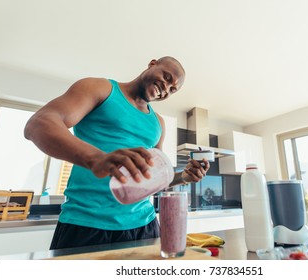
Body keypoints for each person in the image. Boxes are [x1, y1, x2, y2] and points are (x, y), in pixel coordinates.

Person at [24, 56, 210, 250]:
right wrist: (96, 159)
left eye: (172, 89)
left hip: (144, 226)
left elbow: (152, 178)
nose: (166, 88)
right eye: (166, 77)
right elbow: (39, 124)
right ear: (152, 64)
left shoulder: (158, 123)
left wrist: (183, 177)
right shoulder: (101, 89)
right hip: (86, 224)